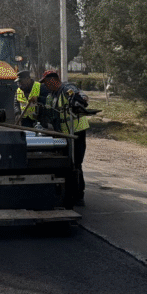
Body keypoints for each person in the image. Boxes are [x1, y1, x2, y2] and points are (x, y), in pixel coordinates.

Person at [39, 70, 90, 205]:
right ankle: (67, 193)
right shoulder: (53, 95)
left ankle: (79, 196)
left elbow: (78, 95)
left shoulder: (67, 89)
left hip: (76, 132)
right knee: (65, 163)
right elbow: (49, 109)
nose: (45, 86)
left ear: (53, 80)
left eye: (46, 83)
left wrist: (81, 99)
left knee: (75, 163)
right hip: (63, 133)